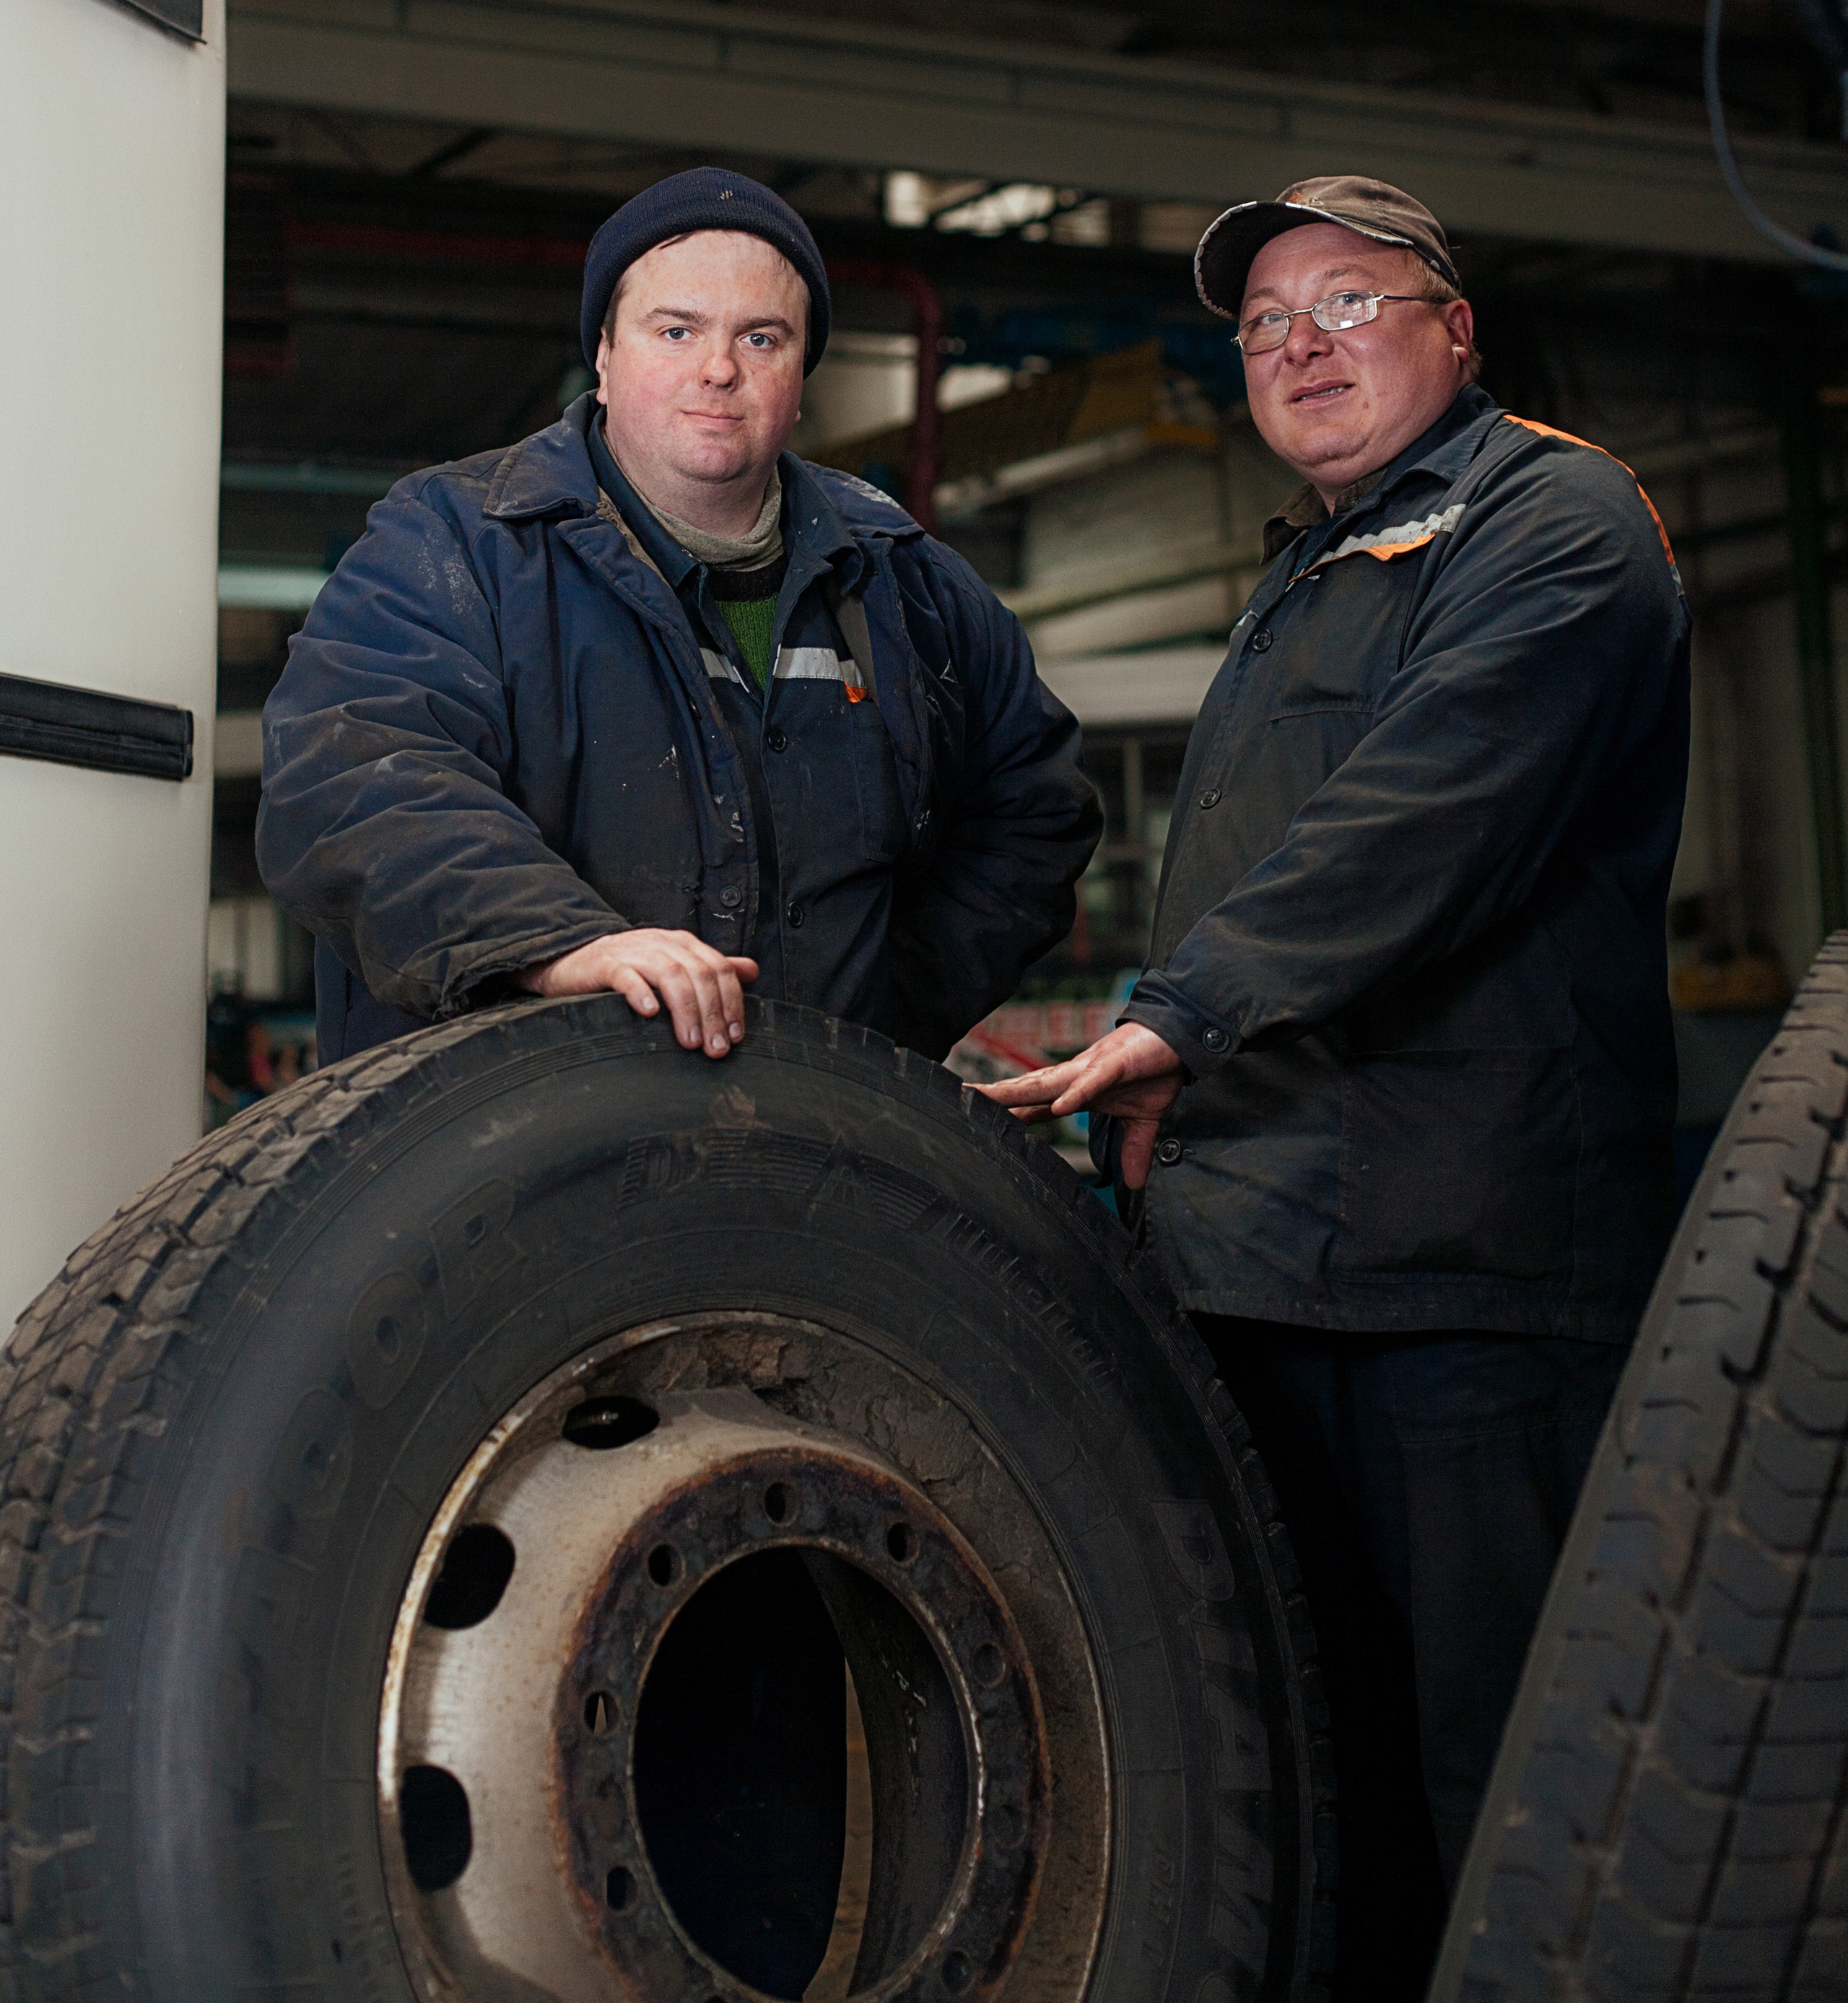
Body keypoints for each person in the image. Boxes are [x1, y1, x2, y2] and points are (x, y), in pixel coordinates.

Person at [980, 174, 1690, 1999]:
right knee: (1311, 1766)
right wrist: (1177, 1087)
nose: (1299, 347)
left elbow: (1421, 819)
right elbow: (1255, 868)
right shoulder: (1306, 563)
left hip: (1462, 1277)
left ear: (1453, 328)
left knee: (1503, 1773)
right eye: (1263, 324)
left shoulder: (1555, 521)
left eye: (1348, 303)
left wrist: (1178, 1012)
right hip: (1262, 1262)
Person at [257, 167, 1100, 1072]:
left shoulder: (908, 585)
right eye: (676, 330)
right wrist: (554, 946)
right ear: (605, 358)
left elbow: (1032, 810)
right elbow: (350, 770)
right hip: (503, 1158)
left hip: (812, 1154)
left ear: (801, 376)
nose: (719, 369)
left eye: (762, 337)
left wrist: (875, 1018)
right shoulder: (456, 546)